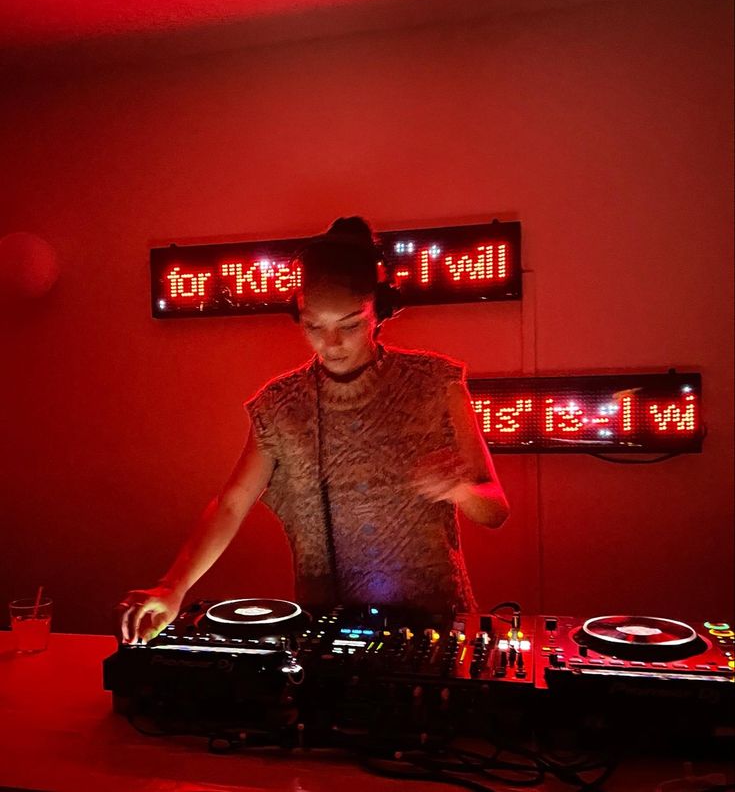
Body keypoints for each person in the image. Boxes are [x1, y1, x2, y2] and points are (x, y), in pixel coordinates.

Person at [119, 217, 510, 644]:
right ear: (298, 315)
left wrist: (460, 489)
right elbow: (232, 503)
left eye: (350, 324)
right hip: (325, 630)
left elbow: (495, 511)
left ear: (378, 310)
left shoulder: (437, 383)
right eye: (313, 326)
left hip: (435, 625)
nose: (332, 343)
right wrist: (173, 586)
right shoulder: (280, 407)